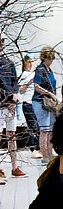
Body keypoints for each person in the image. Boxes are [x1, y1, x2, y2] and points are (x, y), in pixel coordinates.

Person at [32, 47, 60, 161]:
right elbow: (36, 86)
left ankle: (49, 153)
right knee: (44, 129)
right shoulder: (40, 69)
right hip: (40, 101)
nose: (51, 61)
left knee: (50, 129)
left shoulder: (49, 70)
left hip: (49, 103)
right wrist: (49, 94)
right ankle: (44, 155)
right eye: (49, 58)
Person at [0, 44, 20, 180]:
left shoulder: (9, 63)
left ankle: (15, 166)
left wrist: (13, 100)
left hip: (9, 104)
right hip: (1, 104)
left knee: (11, 135)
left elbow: (15, 82)